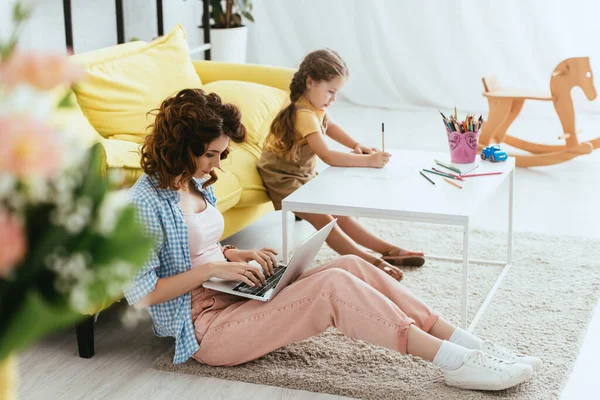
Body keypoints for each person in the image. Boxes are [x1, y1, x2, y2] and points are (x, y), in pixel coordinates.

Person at [125, 88, 542, 391]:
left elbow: (197, 245)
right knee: (332, 287)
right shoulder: (143, 203)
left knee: (354, 265)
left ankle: (470, 343)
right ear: (180, 146)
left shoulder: (197, 180)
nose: (217, 165)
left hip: (235, 289)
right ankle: (456, 363)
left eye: (221, 154)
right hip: (206, 327)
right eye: (211, 154)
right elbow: (141, 294)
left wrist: (237, 254)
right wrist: (214, 268)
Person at [257, 49, 423, 282]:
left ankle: (388, 249)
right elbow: (328, 156)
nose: (333, 100)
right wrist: (368, 161)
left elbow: (330, 127)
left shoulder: (314, 106)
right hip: (283, 180)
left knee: (341, 216)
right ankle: (370, 263)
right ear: (310, 82)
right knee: (327, 224)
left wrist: (357, 145)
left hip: (301, 174)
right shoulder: (303, 114)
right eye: (331, 92)